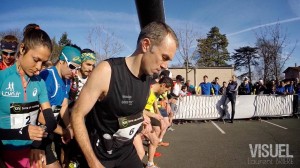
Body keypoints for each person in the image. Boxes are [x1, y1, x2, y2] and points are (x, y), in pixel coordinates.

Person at [71, 21, 178, 168]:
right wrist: (92, 162)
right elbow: (77, 114)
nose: (165, 66)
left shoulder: (148, 79)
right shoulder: (107, 71)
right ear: (146, 45)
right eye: (164, 57)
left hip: (126, 152)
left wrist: (143, 124)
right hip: (99, 157)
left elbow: (129, 112)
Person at [0, 24, 57, 168]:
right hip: (4, 151)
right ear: (22, 49)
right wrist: (21, 133)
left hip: (29, 151)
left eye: (43, 62)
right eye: (36, 59)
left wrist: (37, 145)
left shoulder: (40, 83)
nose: (39, 67)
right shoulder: (2, 78)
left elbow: (50, 121)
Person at [39, 44, 81, 167]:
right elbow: (41, 118)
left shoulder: (67, 80)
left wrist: (69, 127)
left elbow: (63, 107)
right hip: (35, 135)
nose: (75, 73)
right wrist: (64, 132)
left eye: (77, 69)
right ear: (62, 61)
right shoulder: (48, 77)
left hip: (48, 132)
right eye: (72, 67)